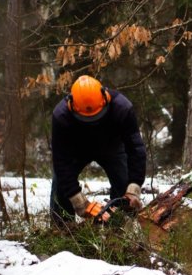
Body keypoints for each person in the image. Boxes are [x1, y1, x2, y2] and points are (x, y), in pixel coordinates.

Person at [50, 75, 146, 225]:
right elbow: (61, 161)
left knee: (124, 183)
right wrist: (76, 198)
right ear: (71, 106)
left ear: (105, 98)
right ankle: (61, 230)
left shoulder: (122, 108)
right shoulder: (61, 116)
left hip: (112, 146)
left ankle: (120, 226)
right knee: (61, 188)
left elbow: (136, 149)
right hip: (76, 150)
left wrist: (134, 185)